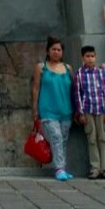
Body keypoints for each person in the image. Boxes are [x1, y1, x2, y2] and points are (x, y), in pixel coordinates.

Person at [32, 36, 75, 181]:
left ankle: (61, 167)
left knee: (62, 140)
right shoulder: (41, 67)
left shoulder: (68, 68)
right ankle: (60, 168)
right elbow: (35, 88)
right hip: (48, 110)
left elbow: (73, 90)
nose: (56, 52)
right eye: (54, 49)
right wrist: (34, 109)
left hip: (66, 110)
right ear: (48, 51)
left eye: (59, 49)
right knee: (55, 137)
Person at [73, 45, 105, 179]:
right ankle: (95, 168)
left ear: (95, 57)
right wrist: (81, 113)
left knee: (103, 138)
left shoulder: (101, 73)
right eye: (87, 56)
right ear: (82, 58)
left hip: (101, 110)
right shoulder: (79, 74)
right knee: (92, 139)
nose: (90, 59)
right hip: (88, 110)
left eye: (92, 56)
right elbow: (77, 94)